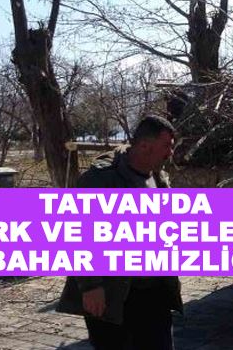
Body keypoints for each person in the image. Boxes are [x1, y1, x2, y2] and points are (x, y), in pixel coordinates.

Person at [57, 115, 182, 350]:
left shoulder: (158, 177)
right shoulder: (101, 179)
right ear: (145, 145)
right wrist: (91, 286)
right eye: (167, 146)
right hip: (112, 293)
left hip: (154, 293)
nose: (170, 153)